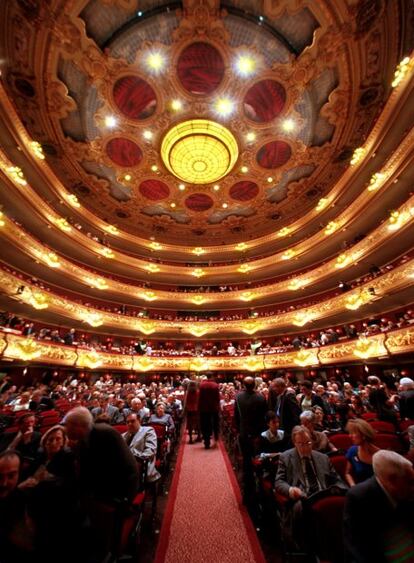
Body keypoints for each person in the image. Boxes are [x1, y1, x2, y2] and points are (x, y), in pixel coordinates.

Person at [344, 450, 414, 563]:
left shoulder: (407, 493)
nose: (413, 487)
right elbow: (359, 550)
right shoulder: (358, 498)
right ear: (391, 480)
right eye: (410, 482)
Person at [234, 376, 268, 504]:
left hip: (244, 433)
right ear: (254, 385)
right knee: (258, 459)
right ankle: (260, 490)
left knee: (247, 463)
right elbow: (264, 416)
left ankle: (248, 493)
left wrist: (239, 429)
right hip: (258, 433)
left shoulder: (238, 397)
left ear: (243, 385)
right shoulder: (260, 397)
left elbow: (237, 417)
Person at [122, 413, 160, 484]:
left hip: (141, 466)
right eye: (127, 422)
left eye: (132, 421)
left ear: (139, 421)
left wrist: (129, 454)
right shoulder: (123, 435)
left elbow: (150, 452)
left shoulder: (148, 431)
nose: (130, 424)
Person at [344, 418, 379, 487]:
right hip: (361, 491)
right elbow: (348, 473)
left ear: (364, 435)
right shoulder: (352, 451)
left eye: (353, 433)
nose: (350, 436)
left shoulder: (380, 454)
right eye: (349, 433)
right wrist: (353, 486)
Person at [198, 374, 220, 449]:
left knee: (205, 424)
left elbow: (200, 398)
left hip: (204, 408)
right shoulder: (215, 385)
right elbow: (217, 398)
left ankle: (206, 441)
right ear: (212, 376)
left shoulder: (202, 385)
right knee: (214, 424)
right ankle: (215, 438)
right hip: (214, 408)